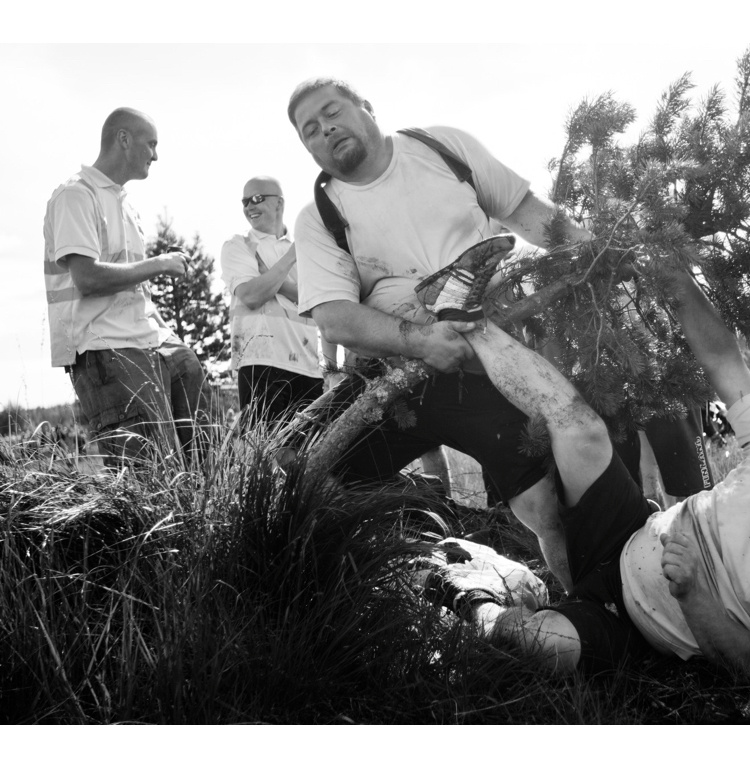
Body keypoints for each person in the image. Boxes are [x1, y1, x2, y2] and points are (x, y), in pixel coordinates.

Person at [415, 264, 750, 676]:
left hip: (632, 629)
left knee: (532, 643)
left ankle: (459, 590)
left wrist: (694, 592)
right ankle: (468, 319)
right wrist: (673, 273)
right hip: (627, 530)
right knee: (580, 428)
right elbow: (726, 362)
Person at [286, 77, 592, 589]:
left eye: (332, 112)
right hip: (395, 378)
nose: (325, 130)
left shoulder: (442, 148)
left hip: (491, 361)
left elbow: (528, 214)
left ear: (366, 106)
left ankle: (587, 611)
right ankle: (379, 590)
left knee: (545, 508)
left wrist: (596, 255)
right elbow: (336, 318)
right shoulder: (319, 216)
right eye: (309, 131)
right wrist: (418, 341)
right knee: (298, 466)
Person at [43, 107, 208, 467]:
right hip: (104, 346)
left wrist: (165, 333)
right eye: (151, 144)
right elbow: (87, 278)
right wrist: (160, 264)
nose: (156, 155)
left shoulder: (124, 204)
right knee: (153, 476)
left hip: (146, 339)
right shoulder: (76, 195)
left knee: (201, 441)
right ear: (123, 139)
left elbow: (136, 290)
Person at [221, 176, 334, 426]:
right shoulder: (238, 245)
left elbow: (320, 301)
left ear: (279, 203)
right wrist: (290, 260)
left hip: (307, 367)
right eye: (245, 201)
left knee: (305, 455)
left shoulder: (307, 249)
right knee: (265, 455)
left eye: (257, 198)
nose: (249, 206)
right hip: (260, 362)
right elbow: (251, 296)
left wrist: (275, 282)